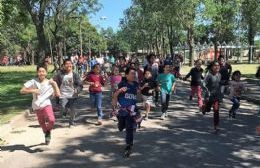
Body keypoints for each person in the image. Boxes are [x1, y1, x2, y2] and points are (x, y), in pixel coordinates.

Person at [20, 64, 60, 145]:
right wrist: (33, 90)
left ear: (46, 73)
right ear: (37, 72)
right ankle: (46, 133)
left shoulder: (50, 82)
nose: (41, 73)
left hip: (46, 104)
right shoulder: (33, 81)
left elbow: (58, 94)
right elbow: (22, 91)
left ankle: (47, 131)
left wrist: (55, 85)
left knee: (51, 120)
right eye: (39, 71)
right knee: (41, 122)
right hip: (37, 105)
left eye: (43, 71)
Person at [112, 67, 141, 157]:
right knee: (121, 127)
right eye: (132, 73)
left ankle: (129, 145)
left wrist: (139, 93)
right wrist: (119, 91)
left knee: (130, 127)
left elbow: (138, 98)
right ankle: (121, 124)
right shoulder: (122, 84)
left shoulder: (136, 84)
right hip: (122, 110)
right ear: (127, 75)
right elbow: (115, 96)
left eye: (134, 74)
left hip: (132, 111)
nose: (133, 75)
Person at [54, 59, 82, 127]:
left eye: (70, 63)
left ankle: (71, 123)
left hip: (73, 95)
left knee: (72, 110)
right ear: (64, 65)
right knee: (63, 107)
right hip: (63, 94)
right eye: (66, 63)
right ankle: (65, 111)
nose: (68, 65)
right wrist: (55, 90)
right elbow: (55, 82)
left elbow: (80, 85)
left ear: (72, 65)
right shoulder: (60, 74)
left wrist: (77, 90)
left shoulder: (75, 74)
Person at [201, 61, 222, 134]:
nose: (217, 67)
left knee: (216, 111)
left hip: (216, 96)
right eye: (215, 65)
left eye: (218, 65)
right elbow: (203, 84)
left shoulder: (219, 75)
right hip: (209, 96)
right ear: (212, 67)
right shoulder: (209, 75)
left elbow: (219, 85)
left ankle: (216, 127)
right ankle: (204, 107)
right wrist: (207, 91)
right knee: (208, 110)